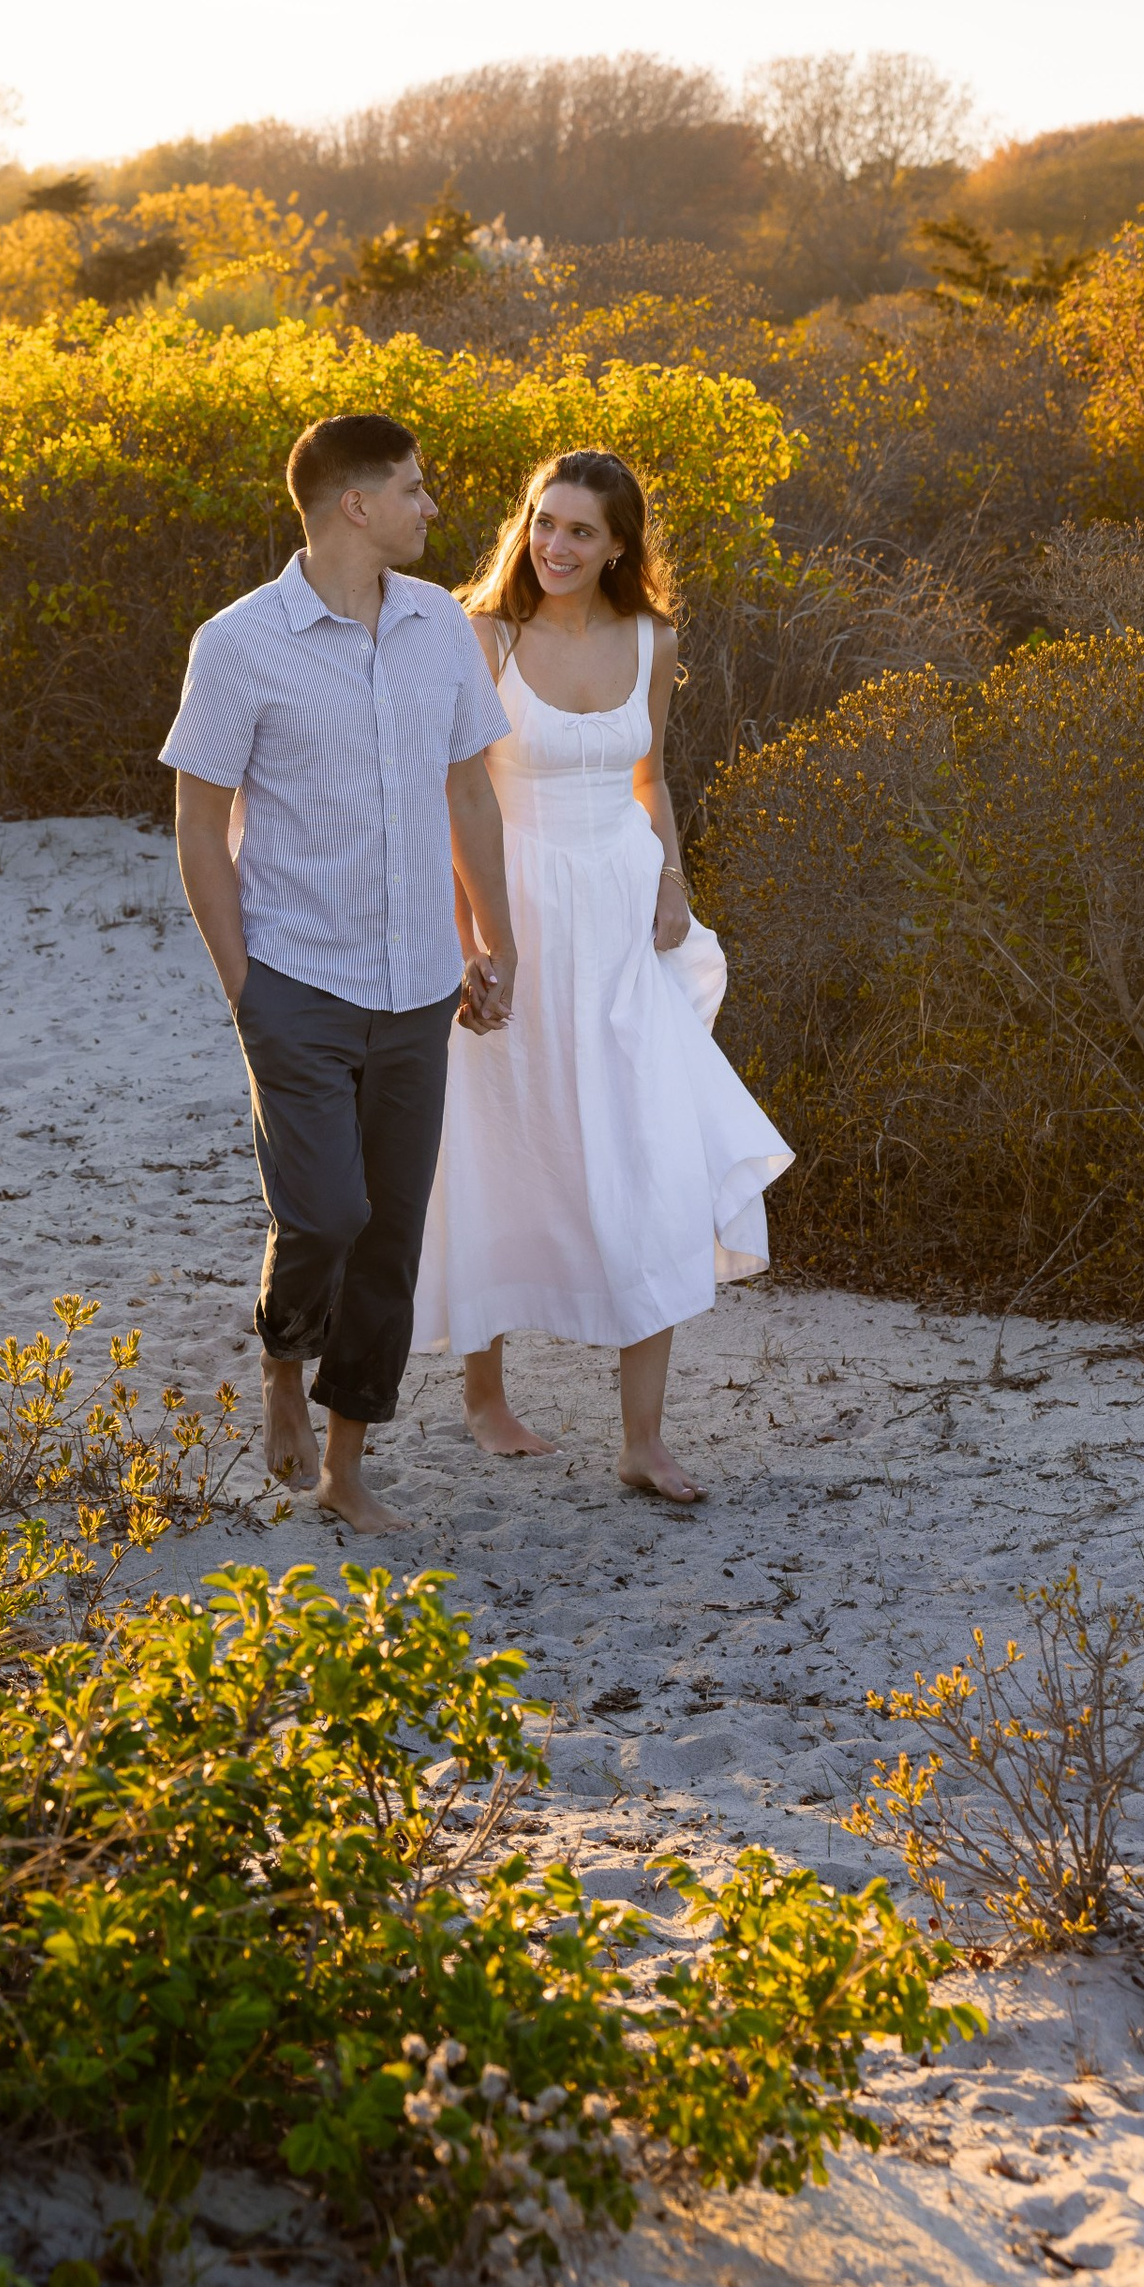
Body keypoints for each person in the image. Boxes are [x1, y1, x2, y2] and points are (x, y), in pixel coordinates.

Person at [162, 412, 519, 1532]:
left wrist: (491, 940)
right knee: (323, 1211)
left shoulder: (440, 631)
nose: (430, 507)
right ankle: (283, 1353)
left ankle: (344, 1462)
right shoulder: (237, 642)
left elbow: (468, 792)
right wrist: (243, 983)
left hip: (418, 986)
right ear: (354, 506)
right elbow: (197, 816)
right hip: (296, 981)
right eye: (413, 490)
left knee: (390, 1237)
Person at [413, 447, 791, 1503]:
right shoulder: (481, 636)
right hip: (513, 910)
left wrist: (674, 877)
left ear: (619, 543)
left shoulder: (650, 638)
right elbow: (458, 803)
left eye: (580, 530)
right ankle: (484, 1395)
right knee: (497, 1136)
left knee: (647, 1148)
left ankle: (641, 1439)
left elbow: (650, 776)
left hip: (622, 917)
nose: (555, 545)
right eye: (543, 521)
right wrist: (471, 945)